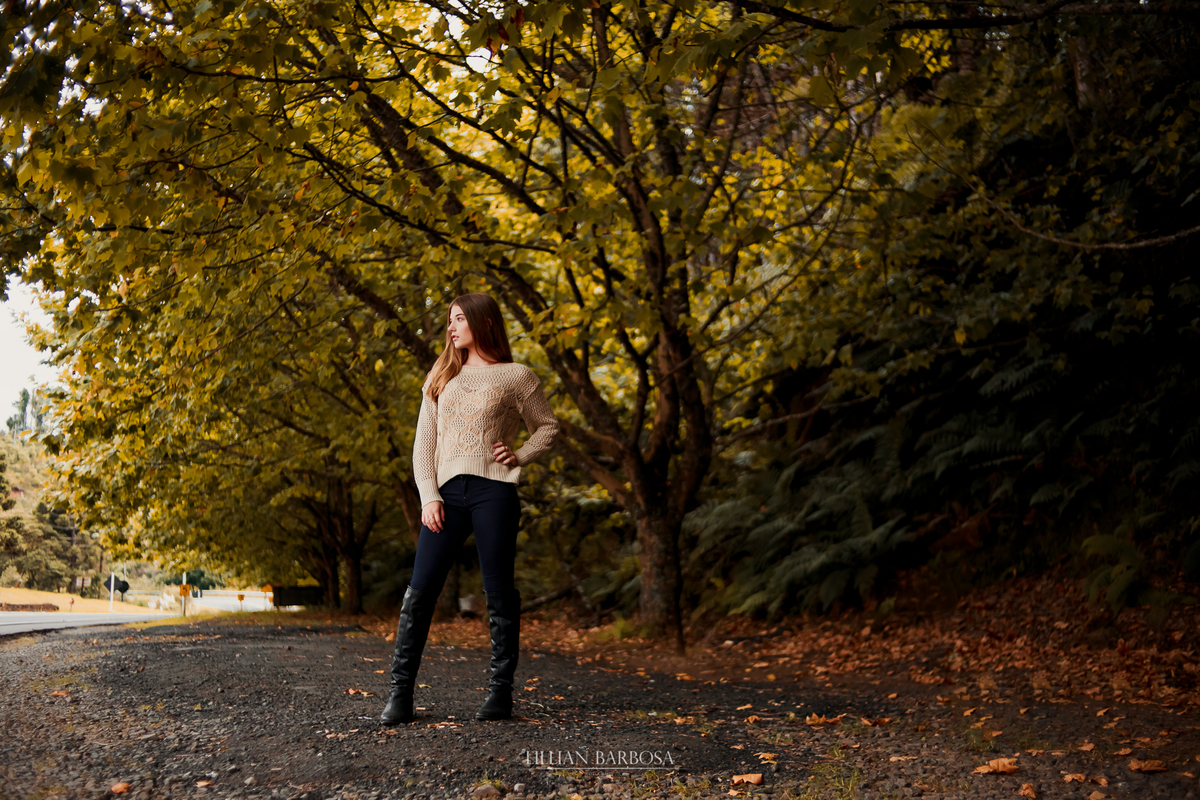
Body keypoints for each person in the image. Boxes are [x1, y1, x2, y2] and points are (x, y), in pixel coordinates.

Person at [381, 292, 559, 724]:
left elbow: (548, 427)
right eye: (450, 320)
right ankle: (400, 695)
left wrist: (519, 455)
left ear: (484, 322)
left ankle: (500, 693)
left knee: (498, 592)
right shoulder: (441, 375)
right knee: (420, 591)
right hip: (445, 496)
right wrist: (428, 495)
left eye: (459, 318)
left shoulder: (516, 376)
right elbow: (423, 445)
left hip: (493, 492)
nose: (451, 327)